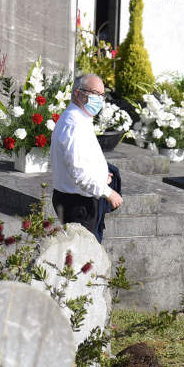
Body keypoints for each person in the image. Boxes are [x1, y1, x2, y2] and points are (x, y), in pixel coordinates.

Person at [51, 73, 123, 242]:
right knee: (83, 260)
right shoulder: (73, 123)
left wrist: (100, 177)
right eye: (94, 93)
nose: (99, 99)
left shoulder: (82, 118)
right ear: (78, 93)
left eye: (101, 95)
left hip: (83, 200)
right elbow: (79, 173)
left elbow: (83, 160)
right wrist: (108, 192)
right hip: (78, 204)